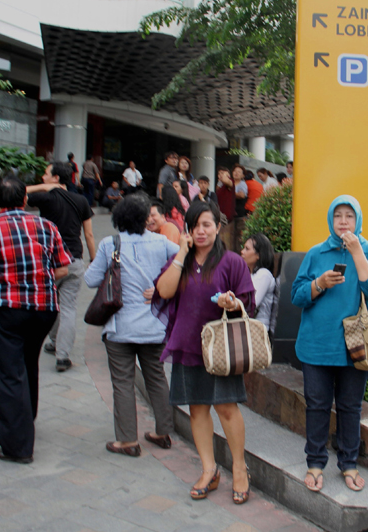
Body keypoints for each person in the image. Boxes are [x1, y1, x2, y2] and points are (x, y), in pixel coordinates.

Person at [0, 175, 72, 463]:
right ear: (25, 200)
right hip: (44, 309)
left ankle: (18, 447)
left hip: (7, 309)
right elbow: (62, 270)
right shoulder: (47, 226)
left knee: (9, 372)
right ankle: (27, 419)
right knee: (27, 363)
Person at [152, 200, 255, 504]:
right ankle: (209, 469)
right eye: (195, 225)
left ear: (218, 227)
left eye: (206, 224)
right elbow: (165, 291)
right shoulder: (180, 259)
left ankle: (239, 468)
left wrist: (233, 303)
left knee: (226, 407)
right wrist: (181, 253)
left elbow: (247, 301)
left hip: (220, 347)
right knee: (197, 408)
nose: (200, 231)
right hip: (188, 343)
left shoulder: (232, 262)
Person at [291, 195, 368, 493]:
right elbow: (296, 296)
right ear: (331, 220)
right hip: (317, 345)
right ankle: (315, 462)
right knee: (317, 405)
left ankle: (349, 463)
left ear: (358, 219)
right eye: (338, 216)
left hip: (357, 345)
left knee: (350, 407)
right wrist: (318, 283)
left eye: (349, 216)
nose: (344, 221)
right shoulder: (316, 253)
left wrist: (358, 253)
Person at [85, 194, 180, 456]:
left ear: (118, 218)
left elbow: (90, 280)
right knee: (157, 379)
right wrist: (162, 288)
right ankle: (163, 432)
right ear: (145, 219)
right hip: (154, 326)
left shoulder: (109, 244)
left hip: (120, 328)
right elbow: (188, 262)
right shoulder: (162, 242)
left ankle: (127, 440)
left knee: (123, 382)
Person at [26, 162, 95, 372]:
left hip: (50, 261)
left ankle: (55, 342)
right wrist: (93, 260)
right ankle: (62, 355)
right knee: (68, 308)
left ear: (56, 178)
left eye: (46, 174)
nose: (43, 177)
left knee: (51, 304)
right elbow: (89, 235)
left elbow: (17, 193)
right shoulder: (81, 200)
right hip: (75, 261)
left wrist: (43, 188)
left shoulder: (46, 197)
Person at [240, 233, 277, 331]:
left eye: (247, 249)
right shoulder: (251, 275)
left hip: (257, 330)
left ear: (258, 255)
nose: (242, 252)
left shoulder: (263, 274)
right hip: (249, 328)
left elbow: (252, 303)